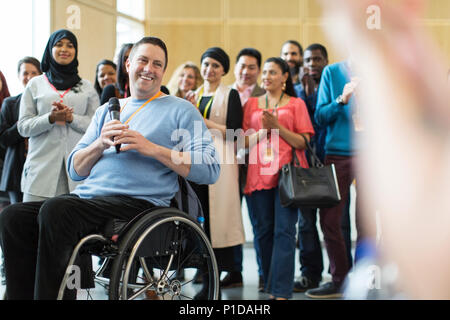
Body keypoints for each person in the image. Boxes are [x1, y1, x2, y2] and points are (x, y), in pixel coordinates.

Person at [0, 36, 220, 300]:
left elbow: (210, 169)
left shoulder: (182, 111)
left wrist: (151, 148)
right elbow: (75, 170)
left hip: (138, 206)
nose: (149, 68)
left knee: (57, 209)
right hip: (90, 200)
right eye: (143, 60)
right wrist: (99, 145)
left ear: (163, 71)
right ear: (128, 63)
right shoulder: (107, 110)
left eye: (157, 64)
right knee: (13, 217)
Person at [243, 57, 314, 300]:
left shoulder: (296, 104)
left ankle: (281, 291)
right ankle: (270, 283)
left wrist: (278, 128)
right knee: (262, 231)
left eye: (273, 72)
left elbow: (304, 141)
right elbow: (242, 140)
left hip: (287, 175)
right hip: (257, 174)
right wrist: (263, 131)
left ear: (285, 77)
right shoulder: (252, 104)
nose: (267, 76)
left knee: (284, 232)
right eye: (265, 72)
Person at [186, 47, 245, 299]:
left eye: (215, 66)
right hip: (196, 158)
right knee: (199, 218)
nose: (209, 69)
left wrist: (202, 120)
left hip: (221, 157)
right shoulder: (193, 94)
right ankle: (204, 276)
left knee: (218, 219)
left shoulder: (230, 94)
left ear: (223, 70)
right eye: (206, 64)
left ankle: (216, 279)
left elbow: (234, 131)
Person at [17, 29, 99, 203]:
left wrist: (71, 119)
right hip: (40, 173)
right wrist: (50, 118)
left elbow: (96, 126)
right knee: (31, 225)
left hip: (77, 174)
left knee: (70, 227)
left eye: (70, 46)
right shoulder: (35, 84)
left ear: (75, 51)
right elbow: (23, 127)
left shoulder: (86, 87)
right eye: (59, 44)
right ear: (50, 49)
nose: (64, 49)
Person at [221, 47, 266, 290]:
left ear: (258, 70)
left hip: (256, 164)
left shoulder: (264, 94)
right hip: (228, 164)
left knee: (259, 222)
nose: (246, 71)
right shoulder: (224, 93)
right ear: (235, 67)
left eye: (252, 67)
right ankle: (233, 271)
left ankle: (263, 273)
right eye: (242, 66)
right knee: (229, 218)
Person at [292, 43, 329, 292]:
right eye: (308, 60)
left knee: (335, 223)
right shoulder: (296, 90)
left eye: (317, 59)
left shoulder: (331, 85)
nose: (312, 64)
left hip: (330, 162)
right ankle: (310, 274)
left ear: (326, 61)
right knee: (305, 223)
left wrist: (314, 94)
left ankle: (340, 274)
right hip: (303, 165)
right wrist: (305, 93)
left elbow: (321, 119)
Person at [0, 57, 42, 204]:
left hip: (42, 169)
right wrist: (24, 124)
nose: (29, 77)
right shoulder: (9, 103)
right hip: (16, 172)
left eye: (34, 72)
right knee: (16, 220)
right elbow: (3, 139)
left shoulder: (45, 103)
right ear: (19, 76)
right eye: (25, 73)